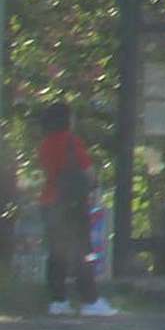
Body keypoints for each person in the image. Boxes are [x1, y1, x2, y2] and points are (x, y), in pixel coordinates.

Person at [30, 103, 110, 317]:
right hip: (71, 203)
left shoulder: (45, 144)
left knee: (56, 253)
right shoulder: (71, 141)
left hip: (49, 201)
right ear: (66, 119)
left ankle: (58, 301)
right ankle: (90, 300)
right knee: (81, 250)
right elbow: (88, 171)